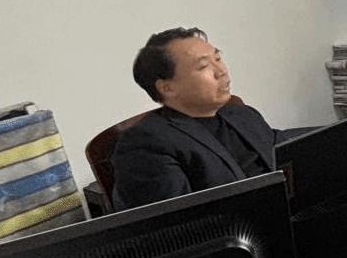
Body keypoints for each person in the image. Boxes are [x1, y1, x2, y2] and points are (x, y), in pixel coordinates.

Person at [111, 28, 297, 211]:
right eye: (203, 66)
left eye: (218, 58)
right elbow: (179, 220)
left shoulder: (242, 114)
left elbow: (285, 153)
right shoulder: (145, 143)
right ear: (167, 88)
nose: (221, 71)